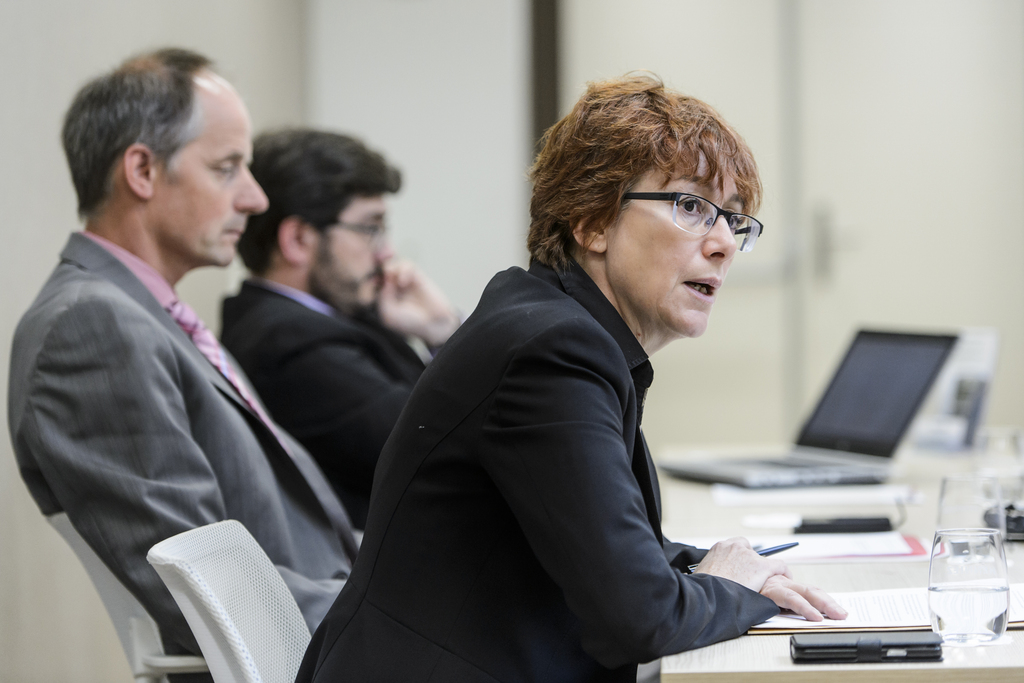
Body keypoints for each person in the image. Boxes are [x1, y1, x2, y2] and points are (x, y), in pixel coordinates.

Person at [296, 74, 847, 683]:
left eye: (734, 221)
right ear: (592, 223)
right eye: (691, 206)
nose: (723, 244)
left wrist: (726, 569)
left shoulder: (545, 320)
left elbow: (602, 547)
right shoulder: (553, 353)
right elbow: (639, 618)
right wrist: (726, 587)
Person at [7, 49, 358, 659]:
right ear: (142, 171)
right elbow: (208, 592)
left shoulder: (144, 315)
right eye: (227, 168)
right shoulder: (90, 326)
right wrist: (410, 616)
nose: (254, 200)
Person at [221, 129, 460, 528]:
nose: (386, 252)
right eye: (370, 229)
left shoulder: (342, 316)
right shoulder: (287, 345)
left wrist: (440, 330)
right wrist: (453, 338)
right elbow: (448, 447)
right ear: (298, 239)